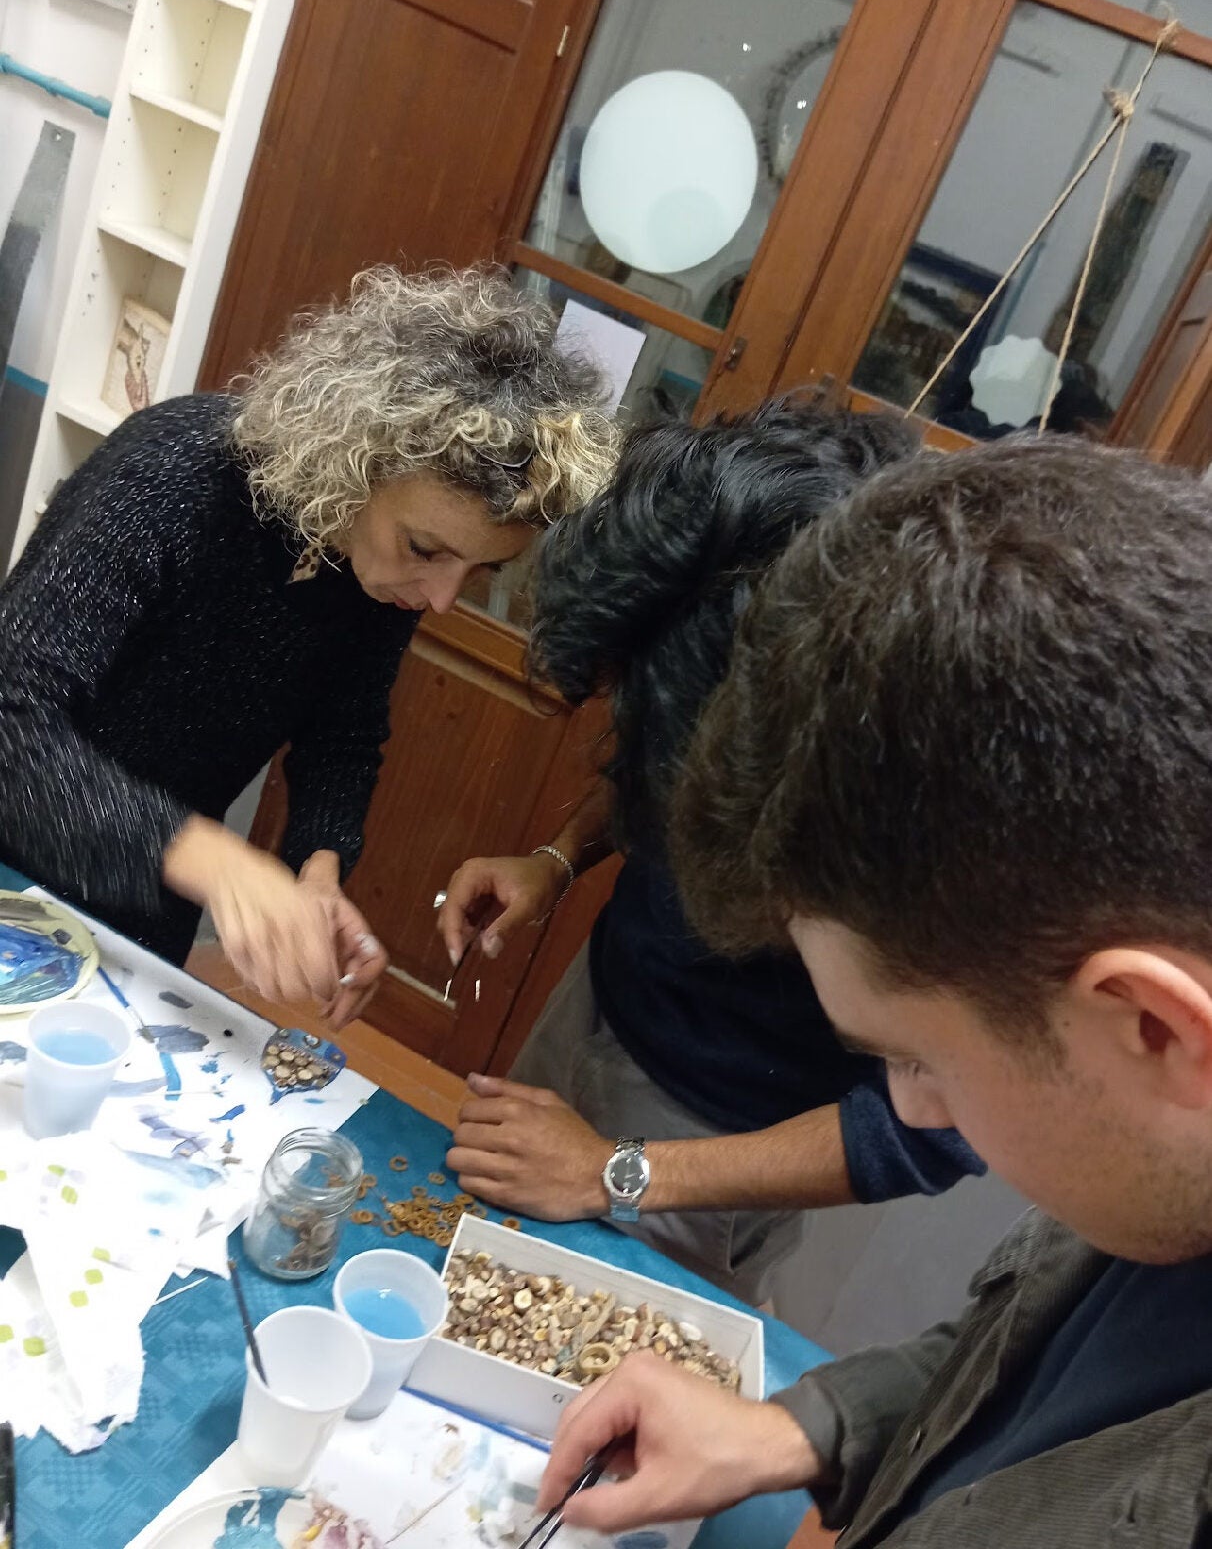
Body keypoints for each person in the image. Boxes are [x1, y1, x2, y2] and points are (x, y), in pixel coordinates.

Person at [535, 437, 1212, 1547]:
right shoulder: (1154, 1177)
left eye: (918, 1059)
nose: (917, 1110)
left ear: (1153, 1026)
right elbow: (1019, 1362)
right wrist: (800, 1431)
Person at [439, 401, 982, 1303]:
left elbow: (926, 1129)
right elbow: (657, 755)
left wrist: (617, 1172)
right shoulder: (726, 618)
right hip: (608, 1009)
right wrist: (561, 855)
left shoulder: (959, 824)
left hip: (716, 1143)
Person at [0, 265, 614, 1025]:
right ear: (354, 460)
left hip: (130, 921)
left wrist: (316, 871)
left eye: (481, 570)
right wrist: (216, 862)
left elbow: (343, 738)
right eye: (426, 547)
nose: (443, 598)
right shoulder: (170, 475)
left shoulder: (378, 571)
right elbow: (10, 723)